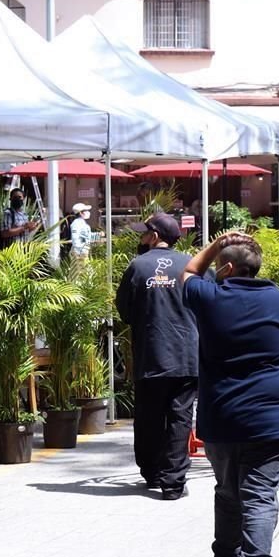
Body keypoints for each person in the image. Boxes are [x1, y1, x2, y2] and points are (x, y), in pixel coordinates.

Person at [180, 232, 279, 557]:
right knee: (259, 498)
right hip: (268, 422)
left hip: (220, 420)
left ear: (225, 267)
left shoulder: (210, 297)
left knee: (227, 493)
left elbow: (190, 270)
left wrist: (216, 242)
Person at [115, 213, 198, 501]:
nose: (141, 238)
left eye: (144, 233)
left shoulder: (138, 266)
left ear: (154, 236)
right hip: (186, 355)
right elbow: (209, 303)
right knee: (180, 417)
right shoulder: (192, 263)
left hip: (151, 354)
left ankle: (152, 471)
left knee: (149, 416)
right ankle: (173, 483)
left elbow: (124, 310)